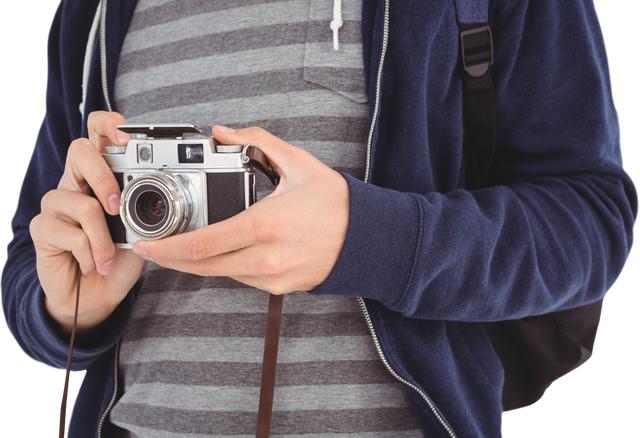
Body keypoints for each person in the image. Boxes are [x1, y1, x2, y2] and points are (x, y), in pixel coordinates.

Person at [2, 0, 637, 437]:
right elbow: (32, 265)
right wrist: (70, 307)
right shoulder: (91, 12)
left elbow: (593, 220)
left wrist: (367, 240)